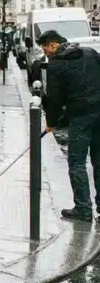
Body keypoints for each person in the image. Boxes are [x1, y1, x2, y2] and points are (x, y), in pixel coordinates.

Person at [39, 30, 100, 222]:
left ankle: (83, 209)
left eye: (45, 48)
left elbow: (54, 99)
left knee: (77, 162)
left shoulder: (56, 66)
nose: (45, 52)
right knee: (98, 161)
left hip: (80, 116)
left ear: (54, 45)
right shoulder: (90, 53)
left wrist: (51, 122)